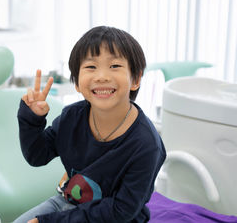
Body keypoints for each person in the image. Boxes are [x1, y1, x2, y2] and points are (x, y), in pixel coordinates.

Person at [15, 26, 166, 223]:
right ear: (77, 83)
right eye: (91, 67)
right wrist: (32, 118)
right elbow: (37, 155)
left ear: (135, 79)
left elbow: (121, 210)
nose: (102, 76)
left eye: (115, 66)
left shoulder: (147, 144)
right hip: (68, 205)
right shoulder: (72, 117)